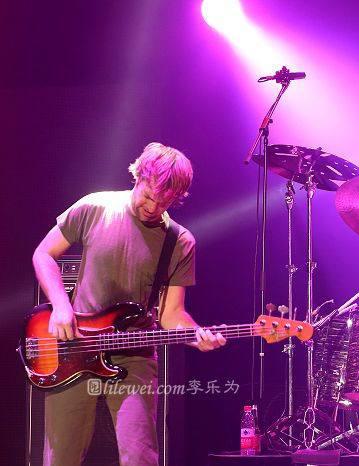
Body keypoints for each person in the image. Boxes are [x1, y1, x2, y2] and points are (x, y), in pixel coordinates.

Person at [32, 142, 226, 465]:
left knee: (140, 456)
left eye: (163, 203)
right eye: (148, 196)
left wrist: (196, 336)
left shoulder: (180, 242)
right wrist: (61, 306)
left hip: (134, 355)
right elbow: (43, 254)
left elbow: (172, 314)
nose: (152, 207)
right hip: (75, 348)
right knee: (61, 456)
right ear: (138, 176)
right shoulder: (95, 207)